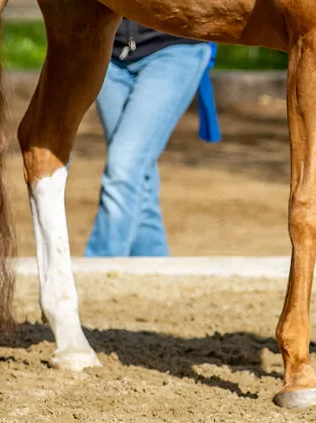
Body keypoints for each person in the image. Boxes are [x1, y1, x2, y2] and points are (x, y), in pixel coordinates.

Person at [84, 18, 221, 258]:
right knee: (139, 179)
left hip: (175, 48)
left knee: (123, 166)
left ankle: (99, 266)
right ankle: (153, 269)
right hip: (107, 51)